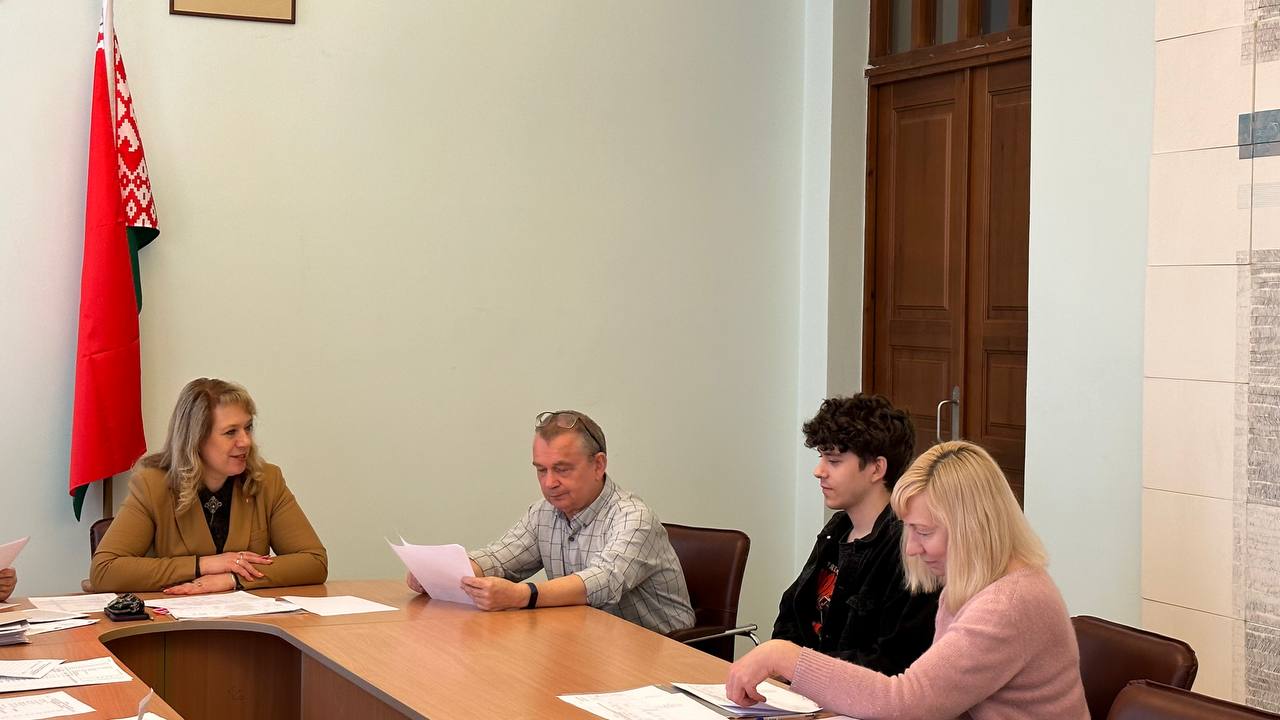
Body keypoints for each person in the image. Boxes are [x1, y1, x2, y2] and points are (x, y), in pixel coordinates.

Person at [727, 441, 1089, 720]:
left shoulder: (1007, 604)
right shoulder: (976, 584)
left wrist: (787, 657)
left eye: (924, 532)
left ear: (971, 528)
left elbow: (908, 701)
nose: (913, 548)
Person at [407, 410, 694, 635]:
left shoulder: (634, 517)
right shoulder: (544, 512)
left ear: (598, 465)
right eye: (541, 470)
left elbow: (605, 581)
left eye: (562, 469)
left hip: (661, 653)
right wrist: (438, 575)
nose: (549, 483)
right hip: (590, 644)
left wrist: (522, 595)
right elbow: (499, 558)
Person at [90, 378, 327, 595]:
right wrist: (204, 564)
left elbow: (314, 562)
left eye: (248, 427)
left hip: (248, 620)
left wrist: (233, 578)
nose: (245, 441)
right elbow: (105, 570)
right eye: (231, 432)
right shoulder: (153, 484)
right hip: (177, 622)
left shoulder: (267, 480)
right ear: (196, 439)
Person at [772, 394, 937, 675]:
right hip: (802, 688)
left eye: (834, 461)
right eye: (821, 458)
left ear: (876, 468)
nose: (818, 471)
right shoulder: (838, 529)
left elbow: (891, 660)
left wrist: (800, 668)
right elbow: (792, 612)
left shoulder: (908, 548)